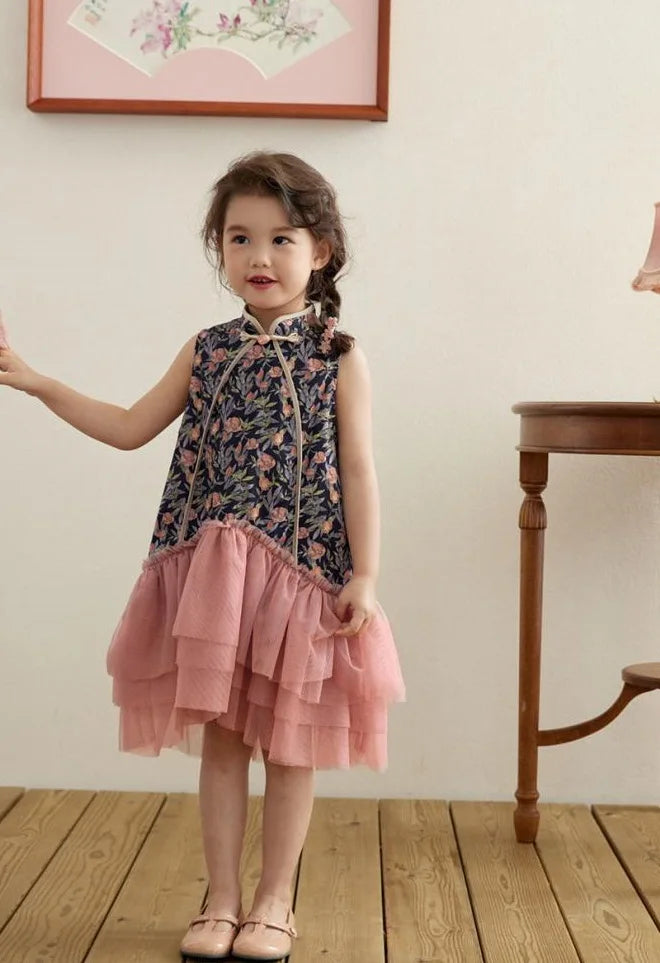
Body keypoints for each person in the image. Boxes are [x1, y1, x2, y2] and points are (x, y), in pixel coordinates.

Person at [0, 151, 405, 962]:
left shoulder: (337, 355)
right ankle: (220, 900)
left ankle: (275, 904)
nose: (260, 258)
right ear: (219, 249)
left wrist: (364, 572)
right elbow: (128, 424)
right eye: (240, 239)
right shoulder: (208, 350)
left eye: (282, 239)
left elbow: (358, 467)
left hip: (303, 574)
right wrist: (36, 381)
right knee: (223, 739)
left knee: (292, 745)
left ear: (320, 250)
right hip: (216, 582)